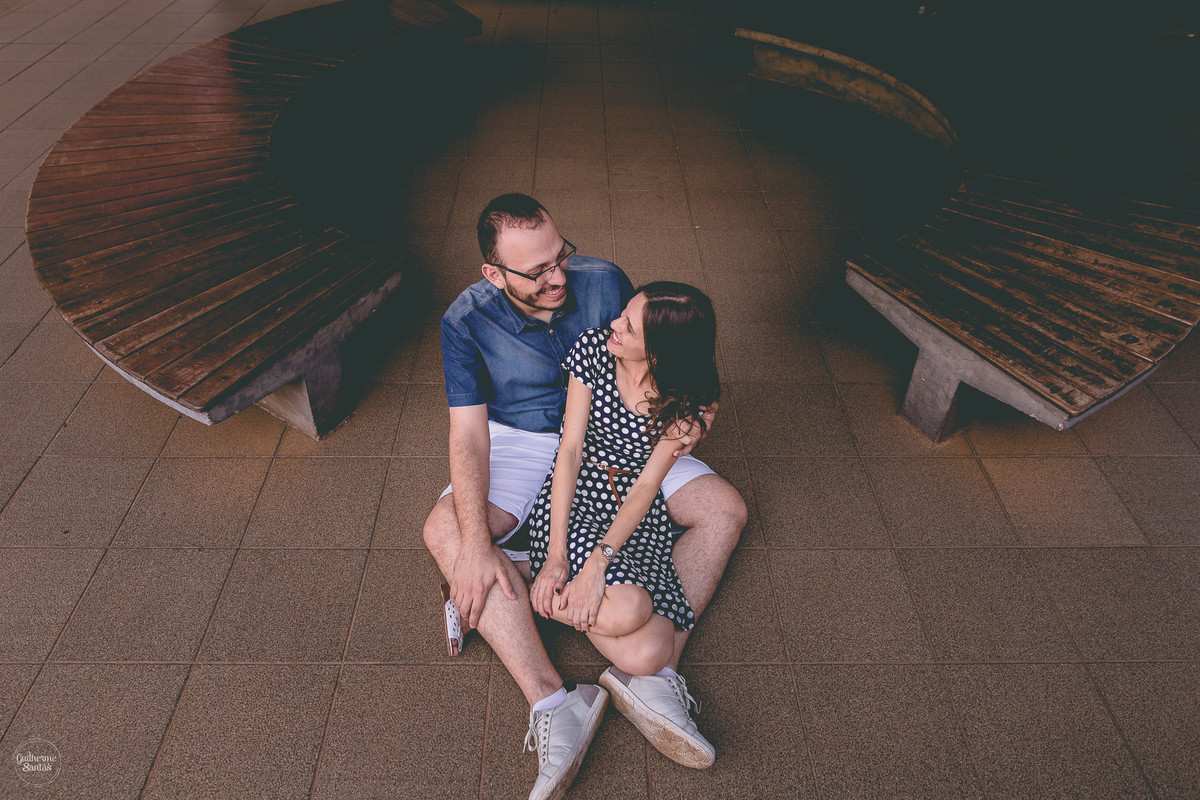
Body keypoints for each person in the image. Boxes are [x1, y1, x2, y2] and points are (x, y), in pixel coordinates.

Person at [422, 194, 746, 800]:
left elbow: (658, 362)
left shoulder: (603, 283)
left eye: (560, 256)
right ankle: (554, 702)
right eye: (536, 271)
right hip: (525, 438)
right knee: (447, 532)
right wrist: (472, 542)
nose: (558, 277)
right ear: (494, 274)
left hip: (623, 435)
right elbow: (467, 431)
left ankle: (654, 670)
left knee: (725, 509)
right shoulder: (464, 320)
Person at [526, 283, 720, 769]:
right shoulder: (593, 349)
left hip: (632, 505)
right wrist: (558, 557)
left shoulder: (684, 402)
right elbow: (569, 451)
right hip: (577, 490)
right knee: (632, 606)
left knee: (652, 650)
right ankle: (539, 577)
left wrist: (598, 564)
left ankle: (541, 597)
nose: (614, 325)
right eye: (623, 315)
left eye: (628, 327)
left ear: (660, 353)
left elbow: (646, 487)